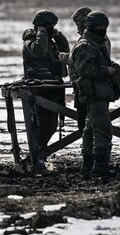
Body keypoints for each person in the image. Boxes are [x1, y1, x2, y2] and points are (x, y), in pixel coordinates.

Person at [70, 11, 119, 175]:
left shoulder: (96, 44)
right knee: (102, 129)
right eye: (98, 28)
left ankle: (88, 164)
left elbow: (97, 63)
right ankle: (100, 167)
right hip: (94, 94)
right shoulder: (85, 46)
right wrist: (108, 71)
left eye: (103, 27)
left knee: (90, 128)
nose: (102, 31)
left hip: (99, 92)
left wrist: (112, 66)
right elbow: (85, 70)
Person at [22, 10, 70, 169]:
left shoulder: (50, 42)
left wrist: (58, 36)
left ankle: (37, 156)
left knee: (51, 125)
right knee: (40, 126)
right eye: (49, 26)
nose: (51, 29)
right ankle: (35, 158)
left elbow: (66, 53)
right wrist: (41, 32)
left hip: (52, 87)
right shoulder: (30, 43)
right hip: (39, 90)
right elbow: (39, 51)